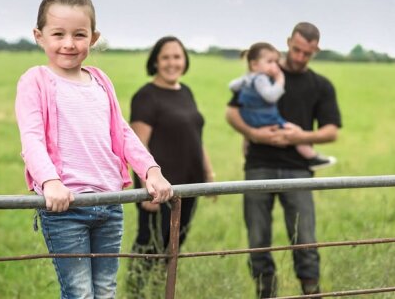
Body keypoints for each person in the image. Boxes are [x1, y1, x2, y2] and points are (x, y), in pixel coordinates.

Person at [14, 0, 173, 299]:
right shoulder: (36, 80)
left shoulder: (100, 80)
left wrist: (151, 170)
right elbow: (31, 138)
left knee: (105, 291)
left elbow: (123, 132)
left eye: (79, 35)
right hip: (66, 206)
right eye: (58, 34)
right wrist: (50, 182)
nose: (69, 44)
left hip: (110, 204)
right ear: (39, 35)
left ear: (94, 38)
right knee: (79, 293)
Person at [225, 22, 341, 298]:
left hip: (298, 170)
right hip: (258, 165)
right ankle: (266, 293)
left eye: (308, 53)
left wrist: (299, 137)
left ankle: (311, 292)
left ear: (316, 50)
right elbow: (231, 113)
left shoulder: (320, 85)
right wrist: (253, 133)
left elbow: (331, 132)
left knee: (305, 239)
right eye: (296, 49)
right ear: (288, 42)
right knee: (257, 239)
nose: (300, 57)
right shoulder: (262, 73)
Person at [125, 36, 215, 298]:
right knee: (148, 245)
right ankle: (136, 292)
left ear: (185, 60)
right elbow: (139, 145)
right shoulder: (145, 96)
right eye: (165, 57)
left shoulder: (185, 92)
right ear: (155, 61)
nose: (172, 63)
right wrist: (147, 185)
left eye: (177, 56)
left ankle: (159, 290)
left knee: (174, 244)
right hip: (159, 188)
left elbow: (196, 138)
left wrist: (209, 176)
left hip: (189, 185)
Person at [228, 42, 337, 171]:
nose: (275, 65)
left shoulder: (247, 78)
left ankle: (247, 151)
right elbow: (270, 96)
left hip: (250, 118)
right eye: (270, 62)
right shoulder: (262, 79)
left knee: (250, 137)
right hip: (267, 119)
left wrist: (251, 133)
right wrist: (280, 80)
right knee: (292, 129)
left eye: (276, 61)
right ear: (254, 64)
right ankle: (312, 157)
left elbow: (232, 86)